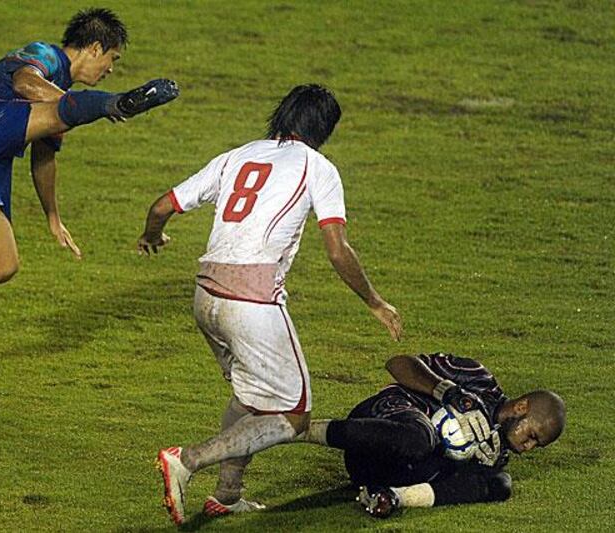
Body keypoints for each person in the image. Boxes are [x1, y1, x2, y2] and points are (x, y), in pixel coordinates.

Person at [137, 84, 403, 525]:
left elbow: (163, 205)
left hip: (205, 297)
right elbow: (338, 250)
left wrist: (151, 236)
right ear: (325, 129)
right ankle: (188, 460)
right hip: (252, 303)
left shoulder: (235, 155)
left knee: (248, 396)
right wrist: (374, 301)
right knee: (294, 416)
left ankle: (227, 494)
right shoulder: (318, 167)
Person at [0, 8, 179, 339]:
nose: (110, 68)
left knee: (2, 263)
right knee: (70, 112)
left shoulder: (57, 110)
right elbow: (24, 82)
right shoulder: (46, 54)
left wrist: (53, 217)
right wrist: (87, 106)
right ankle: (119, 104)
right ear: (95, 48)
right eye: (112, 58)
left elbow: (43, 160)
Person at [296, 352, 566, 517]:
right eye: (531, 435)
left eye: (535, 445)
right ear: (521, 407)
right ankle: (298, 430)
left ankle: (392, 497)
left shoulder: (495, 453)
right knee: (419, 437)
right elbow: (398, 363)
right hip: (378, 427)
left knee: (501, 483)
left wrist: (471, 463)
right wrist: (446, 391)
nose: (528, 447)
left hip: (377, 473)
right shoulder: (479, 379)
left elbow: (446, 471)